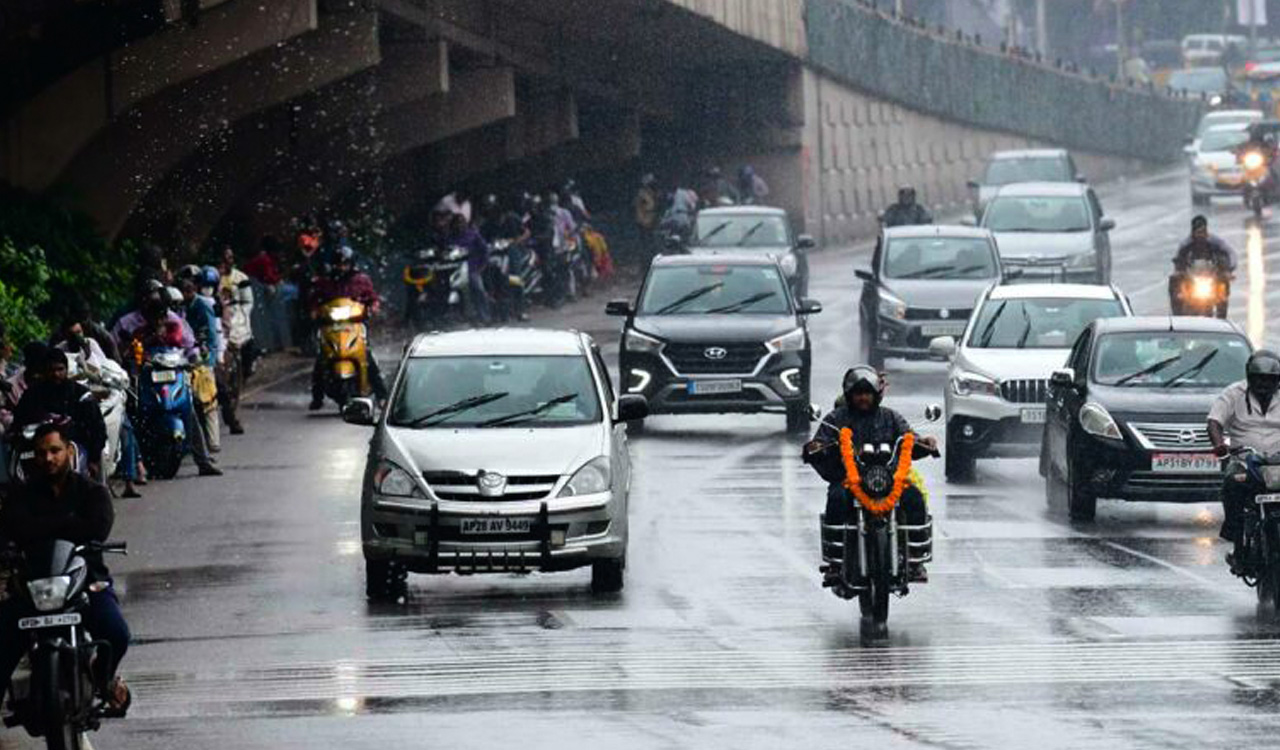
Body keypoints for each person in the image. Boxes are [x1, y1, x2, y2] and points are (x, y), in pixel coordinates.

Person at [0, 422, 131, 715]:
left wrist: (41, 530)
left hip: (84, 581)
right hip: (34, 586)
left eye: (55, 451)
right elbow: (14, 528)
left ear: (69, 451)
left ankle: (103, 676)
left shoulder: (91, 491)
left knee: (116, 633)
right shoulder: (21, 495)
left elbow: (97, 528)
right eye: (42, 452)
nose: (48, 459)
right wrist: (68, 523)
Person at [802, 366, 937, 582]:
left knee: (914, 498)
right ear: (849, 395)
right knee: (836, 498)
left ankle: (915, 560)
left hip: (888, 481)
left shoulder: (891, 417)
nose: (863, 398)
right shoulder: (836, 418)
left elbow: (908, 437)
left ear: (876, 395)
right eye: (858, 393)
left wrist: (924, 443)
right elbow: (821, 440)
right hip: (848, 482)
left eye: (867, 393)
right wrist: (817, 447)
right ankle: (835, 564)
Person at [1209, 350, 1280, 575]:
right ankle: (1239, 546)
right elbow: (1214, 422)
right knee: (1232, 483)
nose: (1263, 384)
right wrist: (1221, 446)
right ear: (1249, 377)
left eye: (1269, 380)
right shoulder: (1233, 394)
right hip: (1245, 460)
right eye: (1258, 379)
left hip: (1278, 462)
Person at [308, 246, 388, 409]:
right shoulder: (325, 282)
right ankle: (317, 397)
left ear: (351, 264)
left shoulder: (361, 280)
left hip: (355, 324)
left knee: (367, 357)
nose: (341, 267)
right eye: (338, 264)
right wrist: (315, 311)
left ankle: (382, 395)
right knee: (321, 358)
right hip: (331, 326)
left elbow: (372, 298)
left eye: (344, 264)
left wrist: (372, 307)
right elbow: (315, 300)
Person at [10, 348, 108, 482]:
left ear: (66, 369)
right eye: (51, 370)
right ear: (44, 371)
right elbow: (19, 420)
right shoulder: (32, 394)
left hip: (76, 446)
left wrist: (94, 458)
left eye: (60, 369)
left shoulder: (80, 394)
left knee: (95, 483)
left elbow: (97, 427)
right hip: (37, 448)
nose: (56, 374)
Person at [177, 267, 223, 453]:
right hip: (184, 356)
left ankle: (213, 442)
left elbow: (211, 334)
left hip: (202, 357)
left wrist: (209, 358)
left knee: (208, 400)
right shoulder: (179, 307)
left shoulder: (203, 305)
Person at [1170, 215, 1237, 315]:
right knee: (1174, 281)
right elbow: (1178, 259)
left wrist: (1229, 269)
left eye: (1203, 231)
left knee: (1223, 282)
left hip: (1211, 277)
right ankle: (1177, 313)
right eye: (1198, 232)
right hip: (1192, 278)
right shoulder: (1185, 245)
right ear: (1193, 232)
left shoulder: (1215, 243)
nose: (1200, 235)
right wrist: (1179, 271)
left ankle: (1222, 312)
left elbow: (1230, 253)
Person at [217, 247, 253, 435]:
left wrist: (240, 316)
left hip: (238, 318)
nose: (227, 261)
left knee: (248, 347)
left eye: (230, 257)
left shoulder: (241, 278)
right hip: (220, 321)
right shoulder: (214, 277)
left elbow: (248, 302)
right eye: (224, 257)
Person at [633, 173, 659, 264]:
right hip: (644, 222)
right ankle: (645, 260)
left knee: (651, 243)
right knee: (645, 244)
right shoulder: (642, 194)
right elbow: (639, 209)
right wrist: (643, 221)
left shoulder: (651, 193)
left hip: (651, 220)